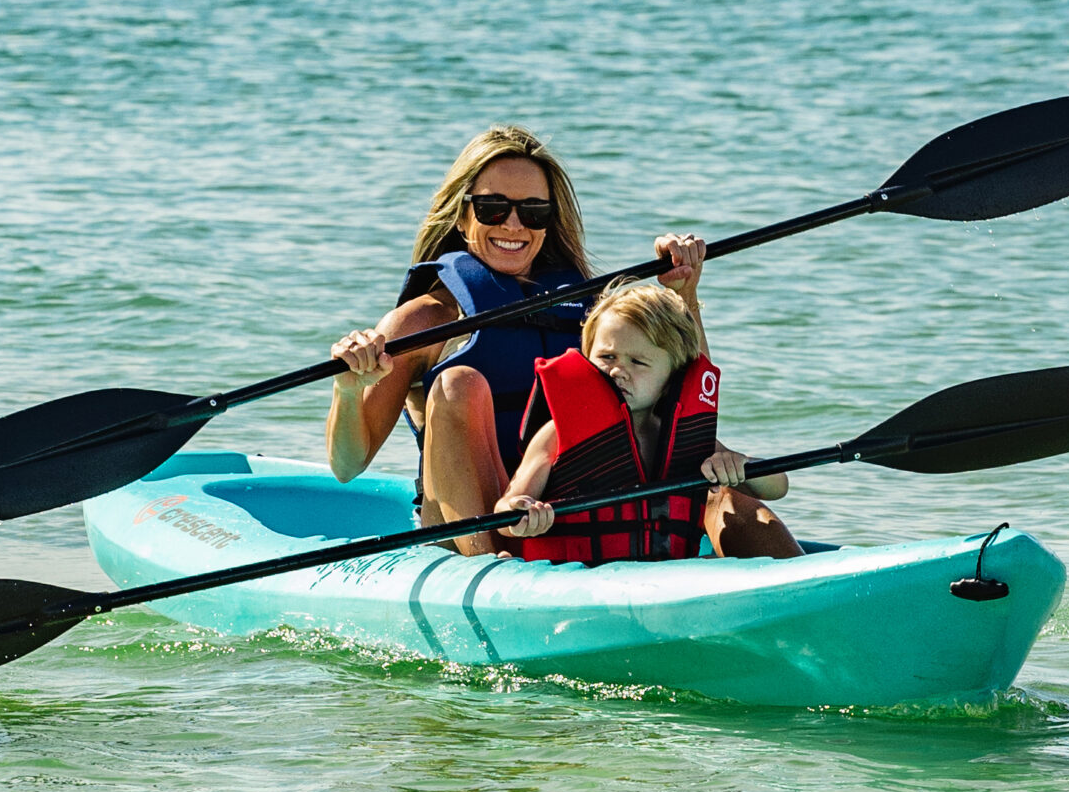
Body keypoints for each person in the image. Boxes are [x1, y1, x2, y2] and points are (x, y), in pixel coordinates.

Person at [325, 124, 708, 555]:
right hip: (465, 531)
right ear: (462, 212)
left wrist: (683, 294)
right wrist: (347, 387)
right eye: (492, 208)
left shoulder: (586, 311)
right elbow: (346, 464)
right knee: (458, 384)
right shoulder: (424, 321)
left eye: (533, 211)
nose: (513, 224)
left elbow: (692, 401)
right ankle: (490, 566)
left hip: (560, 515)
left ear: (550, 220)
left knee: (733, 496)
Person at [497, 279, 799, 562]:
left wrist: (740, 467)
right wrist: (521, 515)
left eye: (638, 362)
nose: (618, 371)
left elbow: (778, 487)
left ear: (672, 375)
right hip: (575, 583)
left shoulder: (689, 440)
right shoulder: (557, 434)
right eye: (607, 357)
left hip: (660, 583)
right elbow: (506, 508)